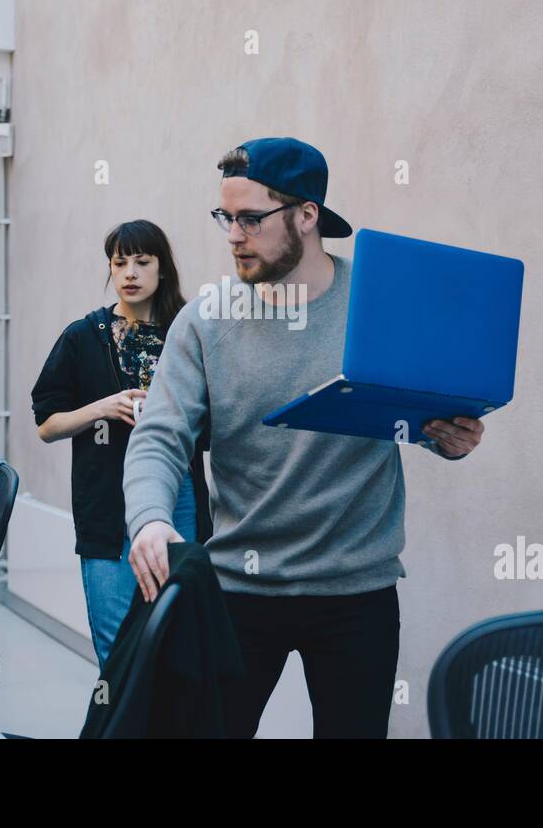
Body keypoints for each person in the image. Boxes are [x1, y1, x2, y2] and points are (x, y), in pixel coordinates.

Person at [122, 137, 486, 738]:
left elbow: (415, 413)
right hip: (240, 587)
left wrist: (448, 437)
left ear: (307, 215)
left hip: (357, 591)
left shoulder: (379, 302)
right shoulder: (205, 319)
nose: (233, 235)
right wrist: (151, 520)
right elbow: (160, 435)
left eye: (250, 219)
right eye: (225, 218)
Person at [31, 219, 211, 671]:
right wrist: (102, 408)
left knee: (180, 638)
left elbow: (214, 425)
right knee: (116, 652)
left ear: (162, 269)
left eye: (142, 262)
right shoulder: (83, 336)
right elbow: (47, 425)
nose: (129, 272)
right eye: (119, 262)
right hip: (106, 505)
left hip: (179, 495)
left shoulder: (187, 332)